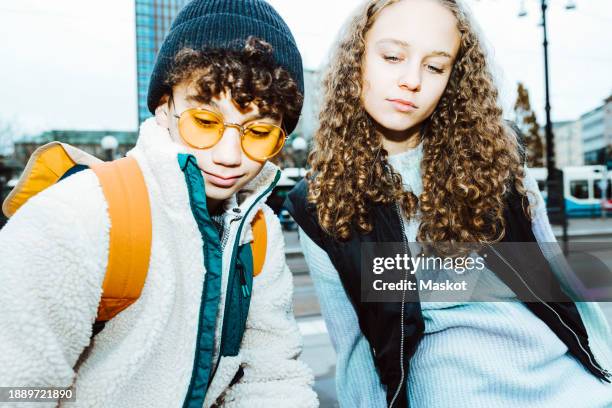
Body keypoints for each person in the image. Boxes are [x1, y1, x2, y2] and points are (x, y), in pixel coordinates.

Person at [284, 0, 612, 407]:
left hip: (572, 390)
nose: (411, 80)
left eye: (435, 66)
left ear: (453, 79)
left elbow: (559, 286)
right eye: (392, 56)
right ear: (358, 58)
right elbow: (356, 349)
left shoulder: (497, 161)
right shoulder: (321, 201)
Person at [0, 1, 318, 407]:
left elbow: (274, 378)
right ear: (164, 107)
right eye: (205, 122)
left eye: (257, 131)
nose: (229, 154)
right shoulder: (79, 215)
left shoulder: (260, 232)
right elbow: (17, 387)